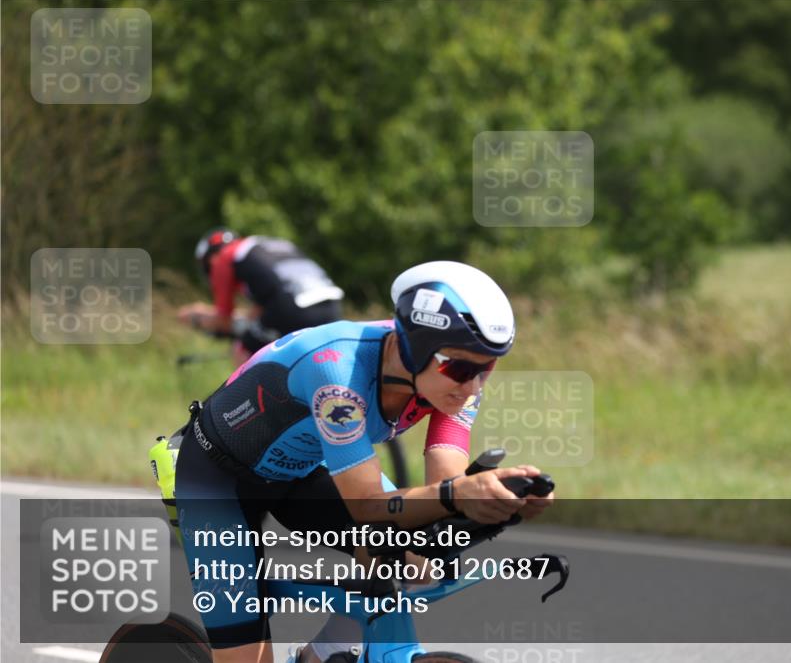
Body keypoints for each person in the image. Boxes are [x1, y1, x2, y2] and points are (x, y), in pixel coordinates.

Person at [170, 261, 554, 663]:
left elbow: (446, 485)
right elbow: (369, 507)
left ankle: (320, 655)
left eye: (487, 368)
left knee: (414, 556)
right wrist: (457, 495)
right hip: (218, 482)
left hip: (304, 471)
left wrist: (499, 502)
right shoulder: (337, 372)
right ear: (414, 348)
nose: (473, 385)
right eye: (458, 367)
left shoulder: (452, 384)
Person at [178, 228, 346, 364]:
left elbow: (223, 319)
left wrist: (197, 315)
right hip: (330, 305)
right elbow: (261, 311)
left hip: (293, 306)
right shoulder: (269, 246)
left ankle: (261, 405)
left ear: (211, 258)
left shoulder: (222, 258)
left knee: (242, 350)